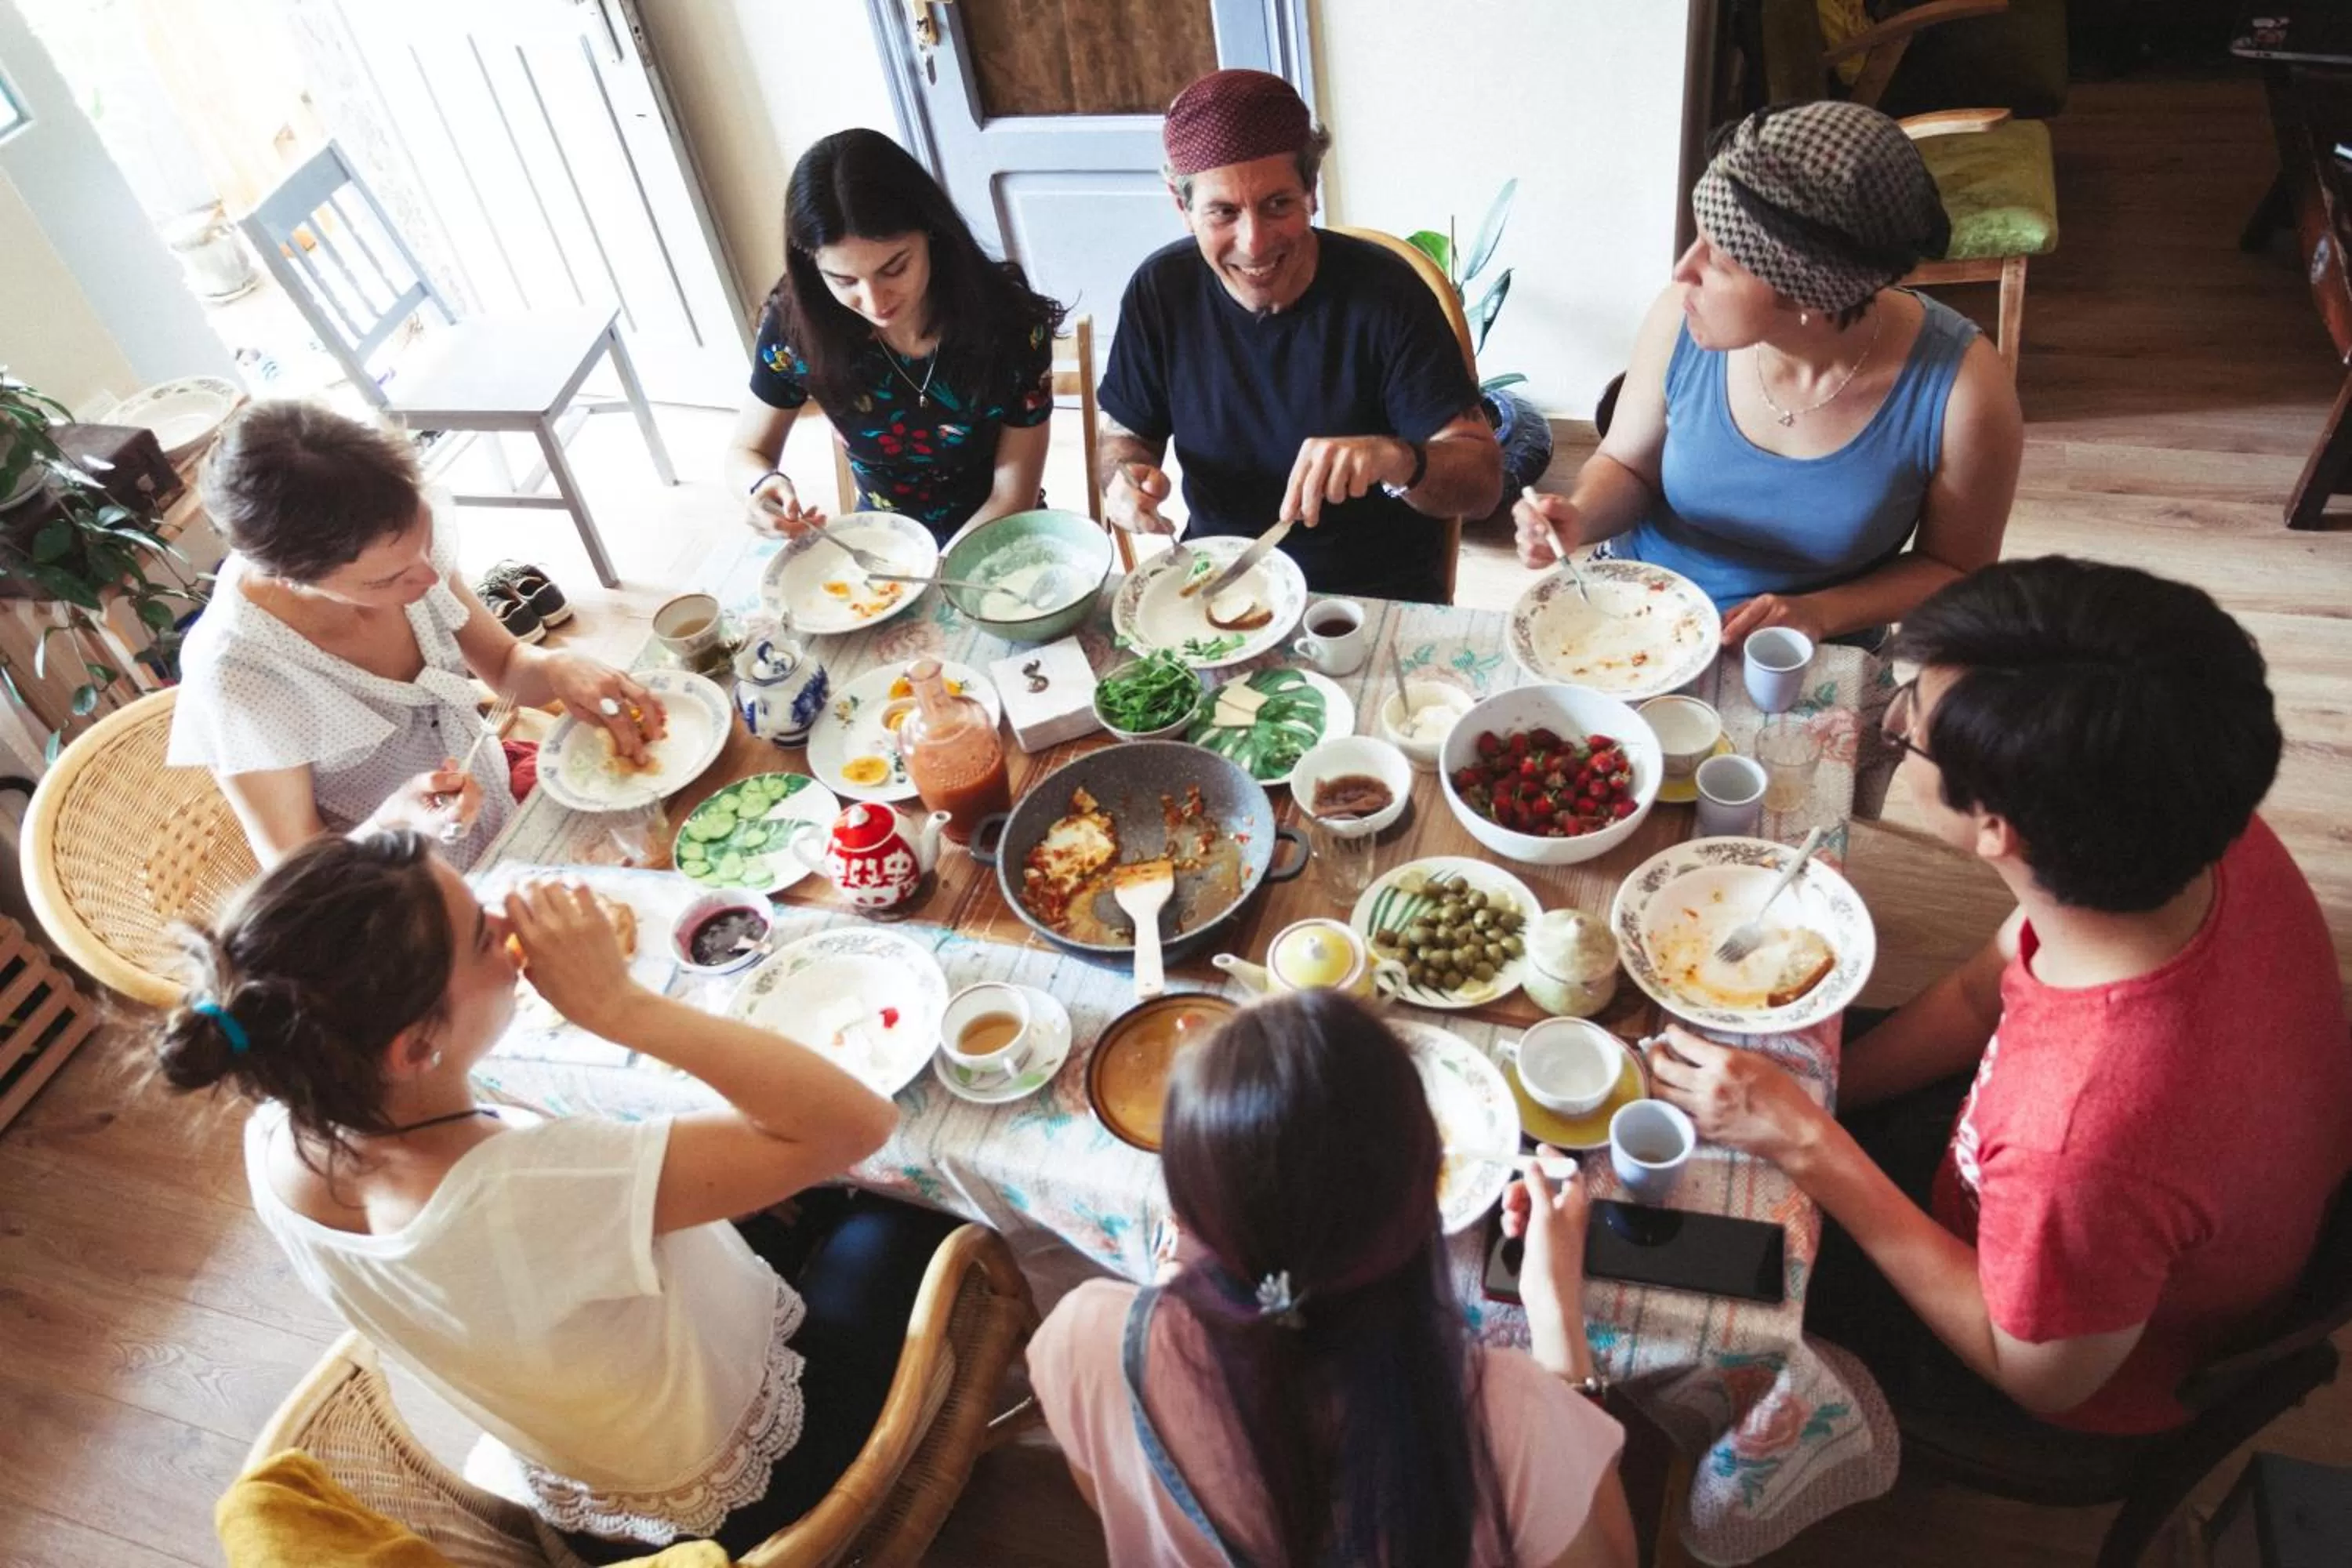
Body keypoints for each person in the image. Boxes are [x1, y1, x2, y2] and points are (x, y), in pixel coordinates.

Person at [1647, 558, 2352, 1437]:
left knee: (1653, 1267)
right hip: (2063, 1198)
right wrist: (1830, 1093)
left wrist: (1808, 1137)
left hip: (2050, 1351)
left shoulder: (2087, 1134)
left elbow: (2040, 1376)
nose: (1894, 719)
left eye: (1909, 726)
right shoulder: (2182, 816)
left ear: (1995, 827)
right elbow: (1992, 987)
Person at [154, 832, 960, 1560]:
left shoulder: (274, 1137)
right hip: (752, 1487)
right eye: (481, 934)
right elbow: (856, 1122)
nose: (512, 928)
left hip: (595, 1484)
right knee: (905, 1197)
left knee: (785, 1192)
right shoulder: (530, 1186)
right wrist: (621, 1006)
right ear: (415, 1046)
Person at [1029, 991, 1635, 1566]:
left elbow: (1107, 1495)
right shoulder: (1513, 1420)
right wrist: (1555, 1308)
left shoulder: (1086, 1339)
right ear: (1422, 1193)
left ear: (1188, 1207)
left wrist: (1171, 1279)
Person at [1513, 100, 2023, 648]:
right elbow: (1629, 465)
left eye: (1722, 261)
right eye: (1697, 235)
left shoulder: (1963, 393)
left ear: (1810, 291)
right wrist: (1580, 516)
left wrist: (1818, 612)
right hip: (1635, 608)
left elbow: (1955, 568)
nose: (1684, 270)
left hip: (1800, 649)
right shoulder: (1679, 314)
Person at [170, 401, 662, 869]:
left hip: (505, 810)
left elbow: (508, 667)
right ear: (291, 578)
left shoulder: (396, 540)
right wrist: (392, 824)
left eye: (425, 543)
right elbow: (296, 867)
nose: (429, 579)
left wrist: (557, 668)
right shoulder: (240, 676)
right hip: (407, 891)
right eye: (385, 581)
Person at [1098, 69, 1504, 604]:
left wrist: (1399, 460)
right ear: (1183, 206)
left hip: (1369, 597)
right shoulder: (1161, 291)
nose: (1255, 243)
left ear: (1311, 193)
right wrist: (1123, 479)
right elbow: (1123, 438)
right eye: (1223, 212)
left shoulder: (1387, 295)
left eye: (1277, 205)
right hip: (1222, 583)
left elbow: (1482, 484)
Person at [726, 128, 1066, 546]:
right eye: (844, 279)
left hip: (999, 535)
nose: (874, 301)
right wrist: (761, 486)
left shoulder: (1009, 326)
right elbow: (746, 452)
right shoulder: (796, 328)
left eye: (894, 268)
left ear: (932, 234)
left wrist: (934, 575)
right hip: (883, 544)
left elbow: (1013, 495)